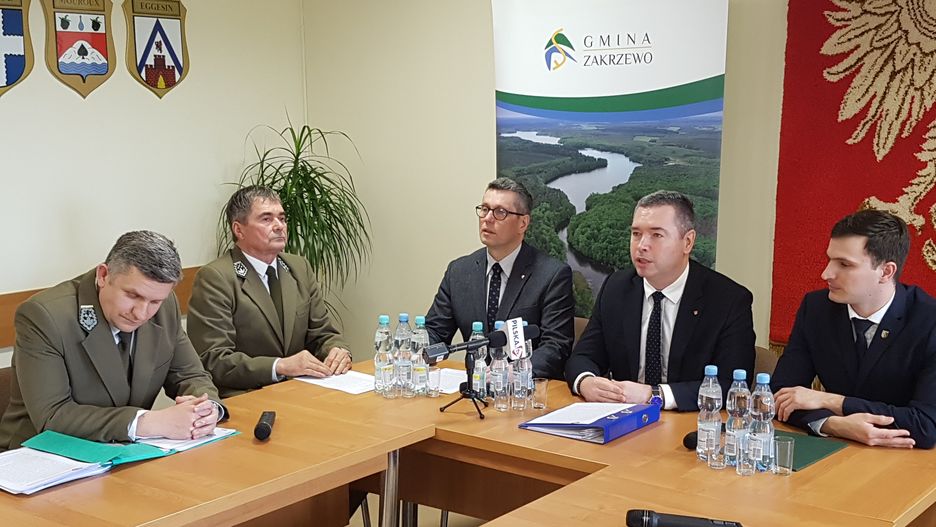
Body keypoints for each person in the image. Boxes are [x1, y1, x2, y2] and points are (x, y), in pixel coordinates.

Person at [0, 231, 224, 451]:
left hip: (124, 452)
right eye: (132, 295)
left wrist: (206, 409)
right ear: (103, 275)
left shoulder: (165, 305)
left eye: (154, 302)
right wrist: (147, 423)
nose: (141, 313)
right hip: (44, 455)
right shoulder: (45, 316)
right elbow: (53, 415)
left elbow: (190, 375)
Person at [564, 190, 755, 410]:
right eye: (636, 234)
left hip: (691, 422)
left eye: (656, 235)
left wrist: (654, 395)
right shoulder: (617, 287)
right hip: (625, 418)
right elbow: (584, 356)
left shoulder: (728, 300)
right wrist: (585, 382)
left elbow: (731, 385)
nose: (641, 245)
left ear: (688, 242)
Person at [772, 210, 936, 449]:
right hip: (835, 450)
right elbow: (780, 396)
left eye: (844, 264)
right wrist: (834, 425)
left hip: (908, 459)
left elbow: (925, 425)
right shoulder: (816, 308)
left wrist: (833, 401)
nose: (826, 273)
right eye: (830, 259)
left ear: (886, 272)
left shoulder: (929, 321)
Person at [187, 186, 352, 398]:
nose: (279, 226)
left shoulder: (298, 267)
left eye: (282, 218)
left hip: (299, 390)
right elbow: (213, 359)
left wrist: (337, 350)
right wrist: (279, 366)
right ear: (239, 230)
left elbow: (322, 333)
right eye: (266, 219)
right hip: (247, 395)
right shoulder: (216, 277)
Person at [425, 177, 574, 379]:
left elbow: (556, 346)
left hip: (523, 389)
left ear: (523, 223)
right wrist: (414, 349)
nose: (487, 218)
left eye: (500, 212)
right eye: (484, 209)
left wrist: (515, 372)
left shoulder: (552, 275)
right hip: (474, 386)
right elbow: (436, 331)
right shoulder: (459, 271)